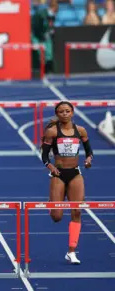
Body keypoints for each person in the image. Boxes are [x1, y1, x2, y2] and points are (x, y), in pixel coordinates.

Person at [40, 101, 93, 265]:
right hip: (59, 174)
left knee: (77, 212)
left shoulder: (81, 131)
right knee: (57, 217)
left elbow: (88, 150)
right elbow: (44, 155)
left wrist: (89, 159)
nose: (64, 114)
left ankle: (71, 251)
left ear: (72, 112)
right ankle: (52, 203)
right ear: (57, 114)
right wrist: (50, 166)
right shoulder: (52, 132)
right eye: (61, 111)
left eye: (67, 111)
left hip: (75, 173)